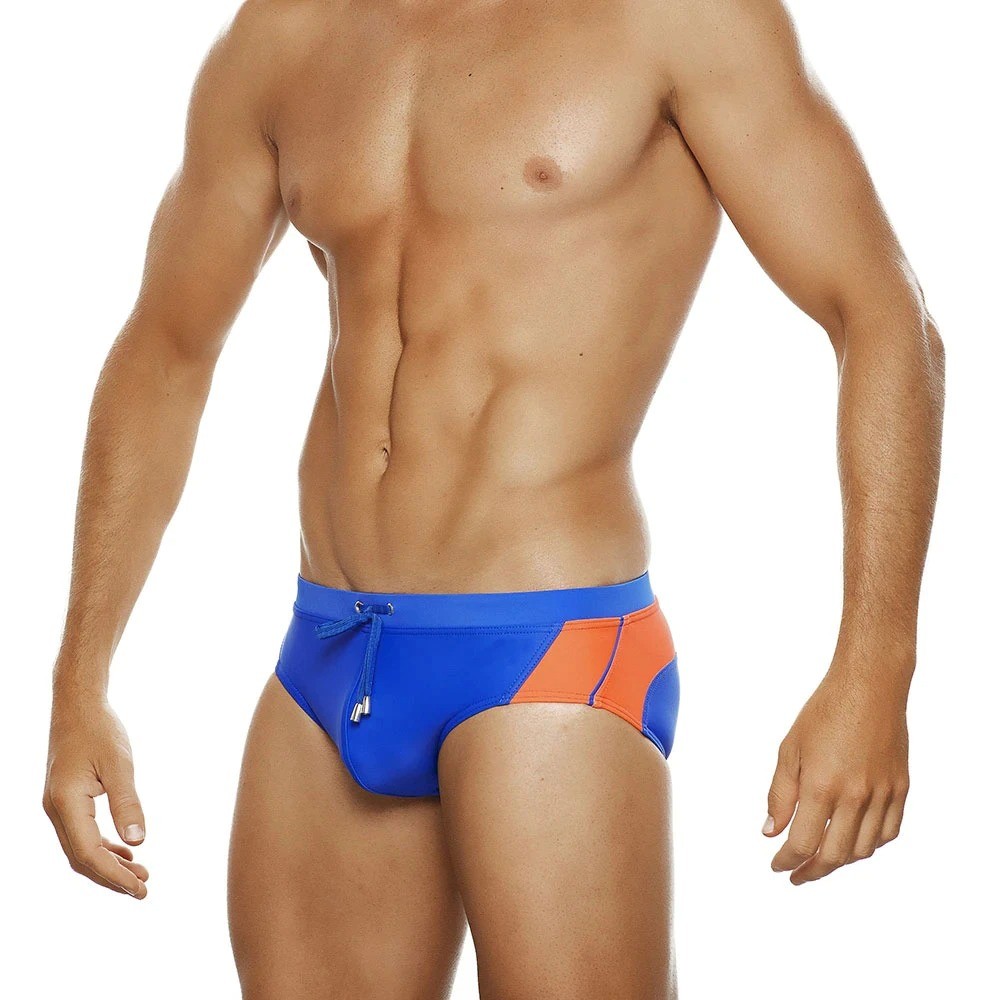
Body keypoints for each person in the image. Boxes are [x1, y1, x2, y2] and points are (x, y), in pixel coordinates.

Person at [42, 0, 944, 996]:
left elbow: (881, 313)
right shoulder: (287, 31)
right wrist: (81, 682)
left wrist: (876, 666)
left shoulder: (679, 18)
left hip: (547, 648)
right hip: (330, 648)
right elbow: (165, 351)